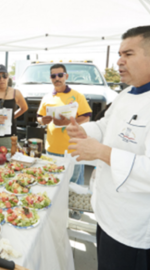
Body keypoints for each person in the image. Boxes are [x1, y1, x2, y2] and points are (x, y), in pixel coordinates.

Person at [67, 26, 150, 270]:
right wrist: (85, 132)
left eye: (128, 54)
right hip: (106, 214)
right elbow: (106, 126)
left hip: (132, 227)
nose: (119, 61)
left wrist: (102, 153)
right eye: (119, 54)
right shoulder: (126, 95)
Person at [37, 64, 92, 185]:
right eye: (53, 76)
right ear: (50, 78)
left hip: (73, 149)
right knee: (53, 181)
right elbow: (39, 117)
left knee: (73, 184)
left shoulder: (78, 96)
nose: (57, 78)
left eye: (60, 75)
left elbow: (86, 117)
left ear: (66, 76)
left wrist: (69, 122)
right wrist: (42, 121)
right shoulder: (46, 98)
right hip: (52, 148)